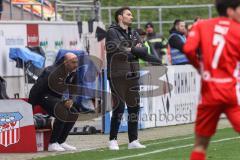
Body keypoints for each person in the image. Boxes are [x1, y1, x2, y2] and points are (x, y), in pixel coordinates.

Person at [182, 0, 240, 159]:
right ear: (230, 11)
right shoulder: (238, 30)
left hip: (209, 92)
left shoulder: (201, 25)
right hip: (231, 92)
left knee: (200, 145)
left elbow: (188, 49)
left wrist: (200, 68)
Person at [106, 7, 161, 150]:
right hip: (118, 74)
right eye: (128, 14)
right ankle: (113, 139)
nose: (132, 17)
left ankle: (133, 140)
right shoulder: (112, 31)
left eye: (131, 15)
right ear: (120, 17)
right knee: (119, 107)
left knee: (134, 107)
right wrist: (133, 50)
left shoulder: (134, 32)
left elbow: (143, 50)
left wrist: (134, 50)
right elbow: (117, 49)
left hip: (133, 74)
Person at [29, 52, 79, 152]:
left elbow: (74, 88)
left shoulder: (73, 72)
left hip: (56, 98)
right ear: (66, 62)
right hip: (42, 96)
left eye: (77, 62)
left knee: (74, 112)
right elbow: (36, 89)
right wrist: (29, 107)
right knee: (62, 110)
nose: (76, 65)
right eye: (73, 62)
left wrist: (71, 100)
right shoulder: (51, 71)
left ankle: (61, 141)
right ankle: (52, 143)